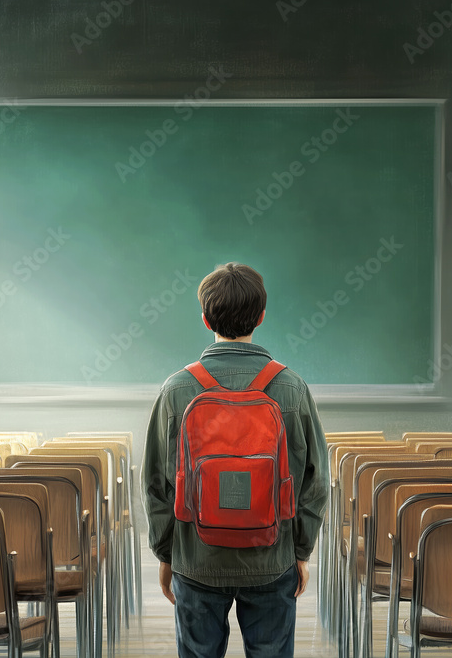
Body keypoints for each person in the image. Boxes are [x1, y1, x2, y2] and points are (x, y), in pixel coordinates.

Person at [141, 261, 330, 658]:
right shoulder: (291, 388)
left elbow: (155, 482)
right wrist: (301, 551)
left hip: (196, 561)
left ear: (206, 318)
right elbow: (316, 481)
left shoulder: (176, 389)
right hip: (272, 558)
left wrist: (167, 553)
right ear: (261, 317)